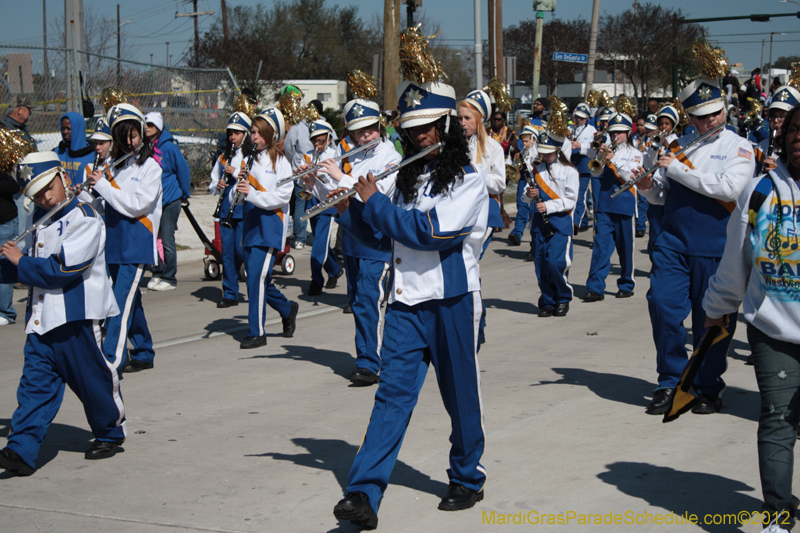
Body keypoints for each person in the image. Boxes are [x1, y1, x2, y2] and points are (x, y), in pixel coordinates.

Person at [332, 67, 489, 530]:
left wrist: (374, 203)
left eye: (426, 128)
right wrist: (351, 209)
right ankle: (363, 492)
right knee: (390, 398)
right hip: (404, 305)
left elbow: (430, 234)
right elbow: (385, 239)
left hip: (451, 302)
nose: (418, 137)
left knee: (459, 397)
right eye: (410, 130)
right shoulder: (402, 180)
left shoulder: (468, 180)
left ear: (444, 128)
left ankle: (466, 475)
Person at [635, 64, 755, 415]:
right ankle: (669, 382)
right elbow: (663, 195)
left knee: (711, 322)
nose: (712, 122)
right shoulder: (682, 146)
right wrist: (647, 187)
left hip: (716, 247)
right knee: (663, 307)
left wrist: (676, 168)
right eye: (703, 117)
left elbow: (729, 188)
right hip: (673, 243)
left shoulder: (740, 148)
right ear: (690, 118)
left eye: (717, 113)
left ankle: (706, 385)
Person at [702, 104, 800, 533]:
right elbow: (735, 261)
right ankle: (778, 515)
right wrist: (717, 307)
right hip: (773, 330)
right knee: (778, 421)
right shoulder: (759, 192)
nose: (799, 137)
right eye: (795, 130)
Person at [0, 151, 124, 476]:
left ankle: (109, 431)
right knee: (33, 387)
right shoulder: (37, 221)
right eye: (36, 194)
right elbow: (22, 267)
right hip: (42, 320)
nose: (44, 197)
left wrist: (19, 262)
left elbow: (62, 270)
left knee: (92, 382)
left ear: (63, 177)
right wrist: (7, 265)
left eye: (47, 188)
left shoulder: (85, 216)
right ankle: (21, 450)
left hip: (78, 319)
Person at [309, 93, 401, 385]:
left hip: (377, 238)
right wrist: (314, 184)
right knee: (359, 301)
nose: (365, 135)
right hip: (351, 237)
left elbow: (379, 193)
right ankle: (370, 355)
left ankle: (370, 363)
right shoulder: (350, 157)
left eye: (370, 128)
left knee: (369, 300)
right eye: (359, 131)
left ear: (380, 125)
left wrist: (338, 175)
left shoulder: (390, 156)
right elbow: (338, 200)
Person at [84, 102, 162, 375]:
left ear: (142, 133)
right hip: (114, 242)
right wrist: (86, 194)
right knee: (130, 300)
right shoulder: (114, 167)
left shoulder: (151, 168)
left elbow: (136, 205)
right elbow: (105, 205)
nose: (129, 142)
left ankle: (111, 360)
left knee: (118, 302)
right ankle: (143, 349)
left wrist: (103, 185)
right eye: (123, 137)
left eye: (133, 135)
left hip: (136, 243)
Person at [230, 107, 299, 349]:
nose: (254, 137)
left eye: (259, 133)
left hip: (270, 226)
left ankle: (257, 332)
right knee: (257, 280)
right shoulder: (246, 160)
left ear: (271, 135)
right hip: (250, 226)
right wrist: (235, 193)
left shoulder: (282, 163)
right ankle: (287, 308)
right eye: (252, 132)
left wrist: (252, 194)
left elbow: (281, 198)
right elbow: (238, 196)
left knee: (256, 278)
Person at [583, 113, 641, 302]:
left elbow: (630, 177)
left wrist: (613, 159)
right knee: (601, 248)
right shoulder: (606, 149)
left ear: (628, 133)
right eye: (613, 132)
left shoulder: (636, 153)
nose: (616, 136)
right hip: (605, 204)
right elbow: (595, 170)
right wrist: (598, 152)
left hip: (625, 205)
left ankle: (626, 284)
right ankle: (595, 287)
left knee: (625, 249)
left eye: (620, 132)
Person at [523, 122, 579, 317]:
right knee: (541, 265)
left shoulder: (570, 171)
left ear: (557, 150)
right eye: (543, 152)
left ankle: (563, 298)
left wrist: (549, 206)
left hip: (561, 223)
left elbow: (571, 200)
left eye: (549, 152)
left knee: (556, 263)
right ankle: (546, 301)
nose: (545, 156)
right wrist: (529, 194)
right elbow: (524, 197)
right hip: (539, 223)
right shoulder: (537, 170)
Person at [144, 112, 191, 291]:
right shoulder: (147, 146)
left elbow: (183, 170)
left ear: (158, 127)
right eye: (145, 125)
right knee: (153, 239)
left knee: (167, 240)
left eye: (150, 125)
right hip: (153, 202)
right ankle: (157, 271)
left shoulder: (169, 148)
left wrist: (185, 194)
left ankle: (169, 277)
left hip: (170, 200)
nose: (146, 128)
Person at [209, 110, 252, 308]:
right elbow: (211, 183)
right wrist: (216, 186)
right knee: (227, 252)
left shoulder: (251, 156)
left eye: (236, 132)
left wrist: (235, 173)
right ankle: (230, 293)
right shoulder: (223, 157)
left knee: (241, 251)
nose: (232, 137)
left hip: (244, 209)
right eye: (230, 133)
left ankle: (255, 287)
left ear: (245, 134)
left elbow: (254, 181)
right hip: (226, 209)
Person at [458, 90, 506, 255]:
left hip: (484, 209)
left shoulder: (494, 147)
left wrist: (475, 175)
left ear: (480, 119)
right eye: (460, 118)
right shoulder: (455, 146)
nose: (463, 123)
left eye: (467, 118)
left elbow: (500, 183)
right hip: (459, 208)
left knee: (470, 258)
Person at [300, 119, 344, 296]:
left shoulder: (335, 154)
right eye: (315, 141)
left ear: (329, 137)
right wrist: (302, 174)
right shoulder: (308, 155)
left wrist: (318, 173)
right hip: (311, 201)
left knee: (318, 245)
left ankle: (316, 280)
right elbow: (300, 180)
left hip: (327, 202)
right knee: (321, 242)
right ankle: (334, 271)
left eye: (321, 140)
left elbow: (335, 180)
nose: (317, 144)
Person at [280, 85, 314, 250]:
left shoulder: (297, 127)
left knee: (300, 203)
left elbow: (288, 149)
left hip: (300, 172)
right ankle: (308, 235)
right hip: (313, 170)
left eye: (299, 100)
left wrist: (294, 163)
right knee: (310, 203)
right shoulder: (309, 124)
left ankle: (299, 237)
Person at [2, 96, 34, 237]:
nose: (30, 114)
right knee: (21, 234)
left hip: (25, 185)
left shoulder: (20, 128)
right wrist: (16, 185)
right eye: (29, 110)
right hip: (17, 189)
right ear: (19, 110)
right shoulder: (5, 131)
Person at [753, 84, 799, 176]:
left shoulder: (797, 148)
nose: (775, 121)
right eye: (773, 116)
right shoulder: (760, 149)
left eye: (781, 116)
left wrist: (780, 172)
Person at [569, 103, 597, 235]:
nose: (578, 120)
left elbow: (593, 149)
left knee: (581, 195)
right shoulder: (571, 128)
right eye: (577, 117)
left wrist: (580, 146)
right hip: (572, 164)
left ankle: (576, 222)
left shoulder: (591, 130)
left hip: (584, 165)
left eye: (582, 118)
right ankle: (584, 221)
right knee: (574, 193)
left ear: (587, 118)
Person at [54, 112, 95, 186]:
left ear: (78, 128)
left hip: (83, 195)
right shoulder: (57, 152)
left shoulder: (92, 154)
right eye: (63, 128)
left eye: (68, 128)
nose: (65, 132)